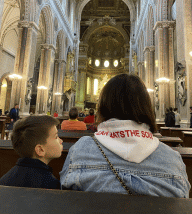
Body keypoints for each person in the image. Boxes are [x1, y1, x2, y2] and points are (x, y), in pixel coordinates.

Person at [60, 74, 190, 197]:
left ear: (104, 106)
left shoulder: (80, 150)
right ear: (146, 106)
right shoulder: (173, 160)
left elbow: (65, 197)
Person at [0, 115, 63, 189]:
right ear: (40, 150)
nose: (61, 141)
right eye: (56, 137)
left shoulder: (4, 180)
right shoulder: (52, 185)